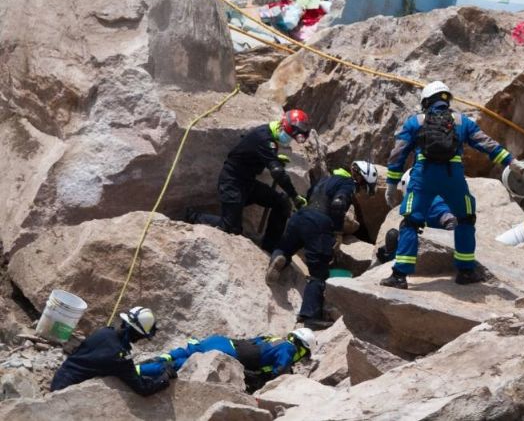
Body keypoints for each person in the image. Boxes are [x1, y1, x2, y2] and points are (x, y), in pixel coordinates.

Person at [381, 81, 524, 289]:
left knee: (411, 222)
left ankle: (399, 276)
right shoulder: (462, 122)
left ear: (426, 101)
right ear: (447, 99)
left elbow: (398, 154)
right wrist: (511, 162)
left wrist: (391, 183)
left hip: (424, 177)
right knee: (465, 218)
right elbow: (486, 143)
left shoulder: (415, 122)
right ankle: (466, 271)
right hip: (454, 178)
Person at [264, 161, 378, 328]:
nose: (360, 190)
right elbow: (338, 204)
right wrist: (338, 232)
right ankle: (310, 317)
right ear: (360, 178)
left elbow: (310, 194)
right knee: (319, 273)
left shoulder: (325, 179)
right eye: (363, 186)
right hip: (319, 224)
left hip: (300, 217)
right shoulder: (347, 184)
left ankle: (279, 257)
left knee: (286, 247)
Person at [191, 110, 311, 252]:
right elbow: (278, 173)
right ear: (282, 126)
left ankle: (270, 248)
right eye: (289, 136)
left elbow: (254, 151)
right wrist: (294, 196)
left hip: (247, 183)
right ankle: (192, 216)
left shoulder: (269, 136)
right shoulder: (264, 138)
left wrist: (273, 158)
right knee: (231, 229)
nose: (288, 140)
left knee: (282, 203)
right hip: (232, 182)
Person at [137, 328, 314, 390]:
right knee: (180, 365)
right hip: (227, 353)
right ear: (302, 347)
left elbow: (256, 346)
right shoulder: (289, 349)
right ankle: (142, 371)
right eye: (304, 355)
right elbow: (279, 372)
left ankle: (153, 361)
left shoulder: (275, 339)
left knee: (186, 352)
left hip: (220, 341)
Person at [51, 307, 171, 395]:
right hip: (67, 393)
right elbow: (143, 389)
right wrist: (165, 378)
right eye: (142, 336)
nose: (141, 340)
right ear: (138, 333)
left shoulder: (105, 332)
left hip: (60, 379)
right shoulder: (120, 356)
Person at [376, 169, 457, 264]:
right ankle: (391, 255)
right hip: (430, 242)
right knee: (396, 234)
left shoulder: (434, 202)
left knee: (398, 231)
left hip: (438, 247)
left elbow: (451, 221)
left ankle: (393, 257)